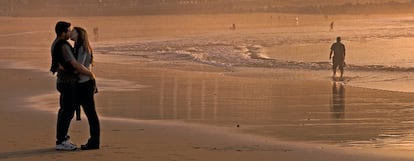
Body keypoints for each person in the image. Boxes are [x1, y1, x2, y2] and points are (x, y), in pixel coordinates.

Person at [50, 21, 95, 151]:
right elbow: (74, 64)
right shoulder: (63, 45)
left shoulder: (56, 43)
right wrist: (90, 74)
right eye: (69, 30)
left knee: (64, 111)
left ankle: (62, 138)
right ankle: (62, 140)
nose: (70, 32)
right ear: (63, 32)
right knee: (67, 113)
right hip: (67, 83)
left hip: (62, 82)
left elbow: (61, 64)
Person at [70, 26, 100, 150]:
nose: (71, 32)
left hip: (85, 83)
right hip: (86, 82)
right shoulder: (80, 47)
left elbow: (79, 66)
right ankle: (94, 141)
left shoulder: (82, 48)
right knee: (91, 114)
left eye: (73, 31)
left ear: (79, 34)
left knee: (91, 114)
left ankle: (94, 142)